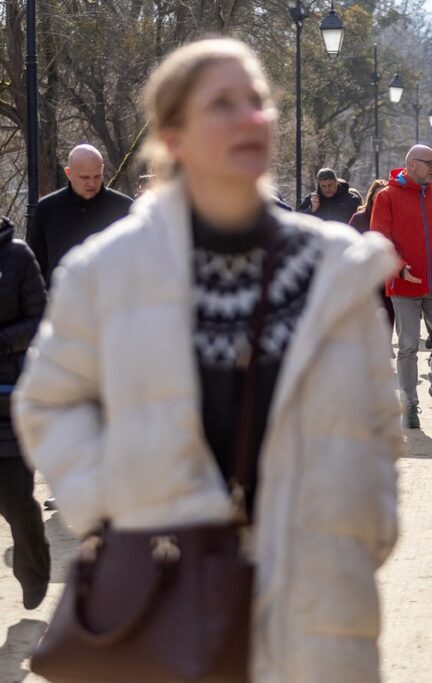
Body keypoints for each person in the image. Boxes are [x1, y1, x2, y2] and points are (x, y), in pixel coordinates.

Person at [14, 38, 402, 682]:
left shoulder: (336, 266)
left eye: (257, 101)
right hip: (162, 595)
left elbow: (379, 417)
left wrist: (366, 526)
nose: (250, 117)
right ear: (175, 136)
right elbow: (48, 401)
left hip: (317, 599)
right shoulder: (108, 269)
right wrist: (113, 509)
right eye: (222, 104)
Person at [371, 145, 432, 429]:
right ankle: (409, 403)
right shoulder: (387, 197)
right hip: (403, 287)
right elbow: (379, 238)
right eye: (429, 163)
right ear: (411, 164)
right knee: (408, 346)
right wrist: (398, 267)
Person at [0, 215, 49, 611]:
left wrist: (2, 342)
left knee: (15, 499)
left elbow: (39, 320)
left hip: (8, 399)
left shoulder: (17, 256)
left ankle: (33, 569)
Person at [28, 144, 133, 287]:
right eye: (85, 177)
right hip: (63, 302)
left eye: (97, 176)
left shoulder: (124, 209)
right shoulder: (47, 209)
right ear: (68, 173)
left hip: (112, 302)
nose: (92, 183)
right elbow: (35, 267)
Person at [350, 179, 395, 329]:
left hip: (389, 272)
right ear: (371, 197)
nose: (381, 198)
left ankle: (386, 345)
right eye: (378, 195)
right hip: (366, 272)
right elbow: (352, 243)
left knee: (389, 310)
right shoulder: (359, 218)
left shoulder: (395, 217)